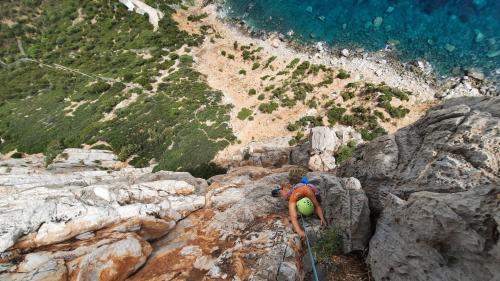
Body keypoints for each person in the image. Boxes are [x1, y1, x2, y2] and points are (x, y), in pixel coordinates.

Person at [272, 168, 326, 239]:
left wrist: (300, 232)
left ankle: (279, 191)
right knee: (285, 195)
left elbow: (293, 217)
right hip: (302, 189)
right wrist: (322, 218)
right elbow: (317, 206)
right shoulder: (306, 191)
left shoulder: (293, 198)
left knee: (286, 196)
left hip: (297, 190)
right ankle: (279, 191)